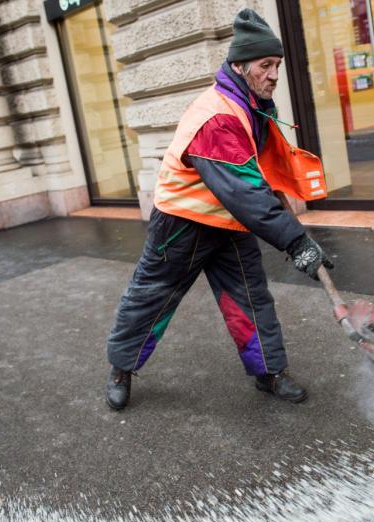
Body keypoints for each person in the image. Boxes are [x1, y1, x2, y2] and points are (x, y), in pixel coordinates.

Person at [104, 8, 333, 410]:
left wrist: (288, 220)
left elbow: (254, 177)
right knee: (152, 297)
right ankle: (121, 367)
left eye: (277, 64)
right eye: (266, 65)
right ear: (240, 66)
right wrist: (297, 243)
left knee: (250, 297)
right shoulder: (216, 117)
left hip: (229, 221)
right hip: (182, 223)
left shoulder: (252, 104)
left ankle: (269, 371)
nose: (274, 74)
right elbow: (245, 192)